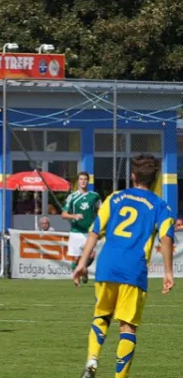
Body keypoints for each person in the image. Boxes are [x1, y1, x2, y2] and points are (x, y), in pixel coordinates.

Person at [73, 155, 174, 378]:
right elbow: (166, 237)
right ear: (156, 179)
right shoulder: (160, 206)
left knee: (102, 315)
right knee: (127, 327)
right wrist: (168, 271)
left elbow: (94, 230)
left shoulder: (115, 198)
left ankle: (92, 361)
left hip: (106, 265)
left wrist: (81, 263)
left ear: (133, 176)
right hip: (133, 269)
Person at [61, 172, 101, 284]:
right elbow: (63, 214)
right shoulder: (72, 197)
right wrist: (74, 216)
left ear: (88, 181)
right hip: (76, 232)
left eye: (85, 179)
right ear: (78, 181)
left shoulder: (94, 196)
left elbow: (101, 210)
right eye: (81, 179)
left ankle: (83, 269)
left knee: (92, 255)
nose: (83, 181)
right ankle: (77, 277)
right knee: (76, 258)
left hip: (89, 232)